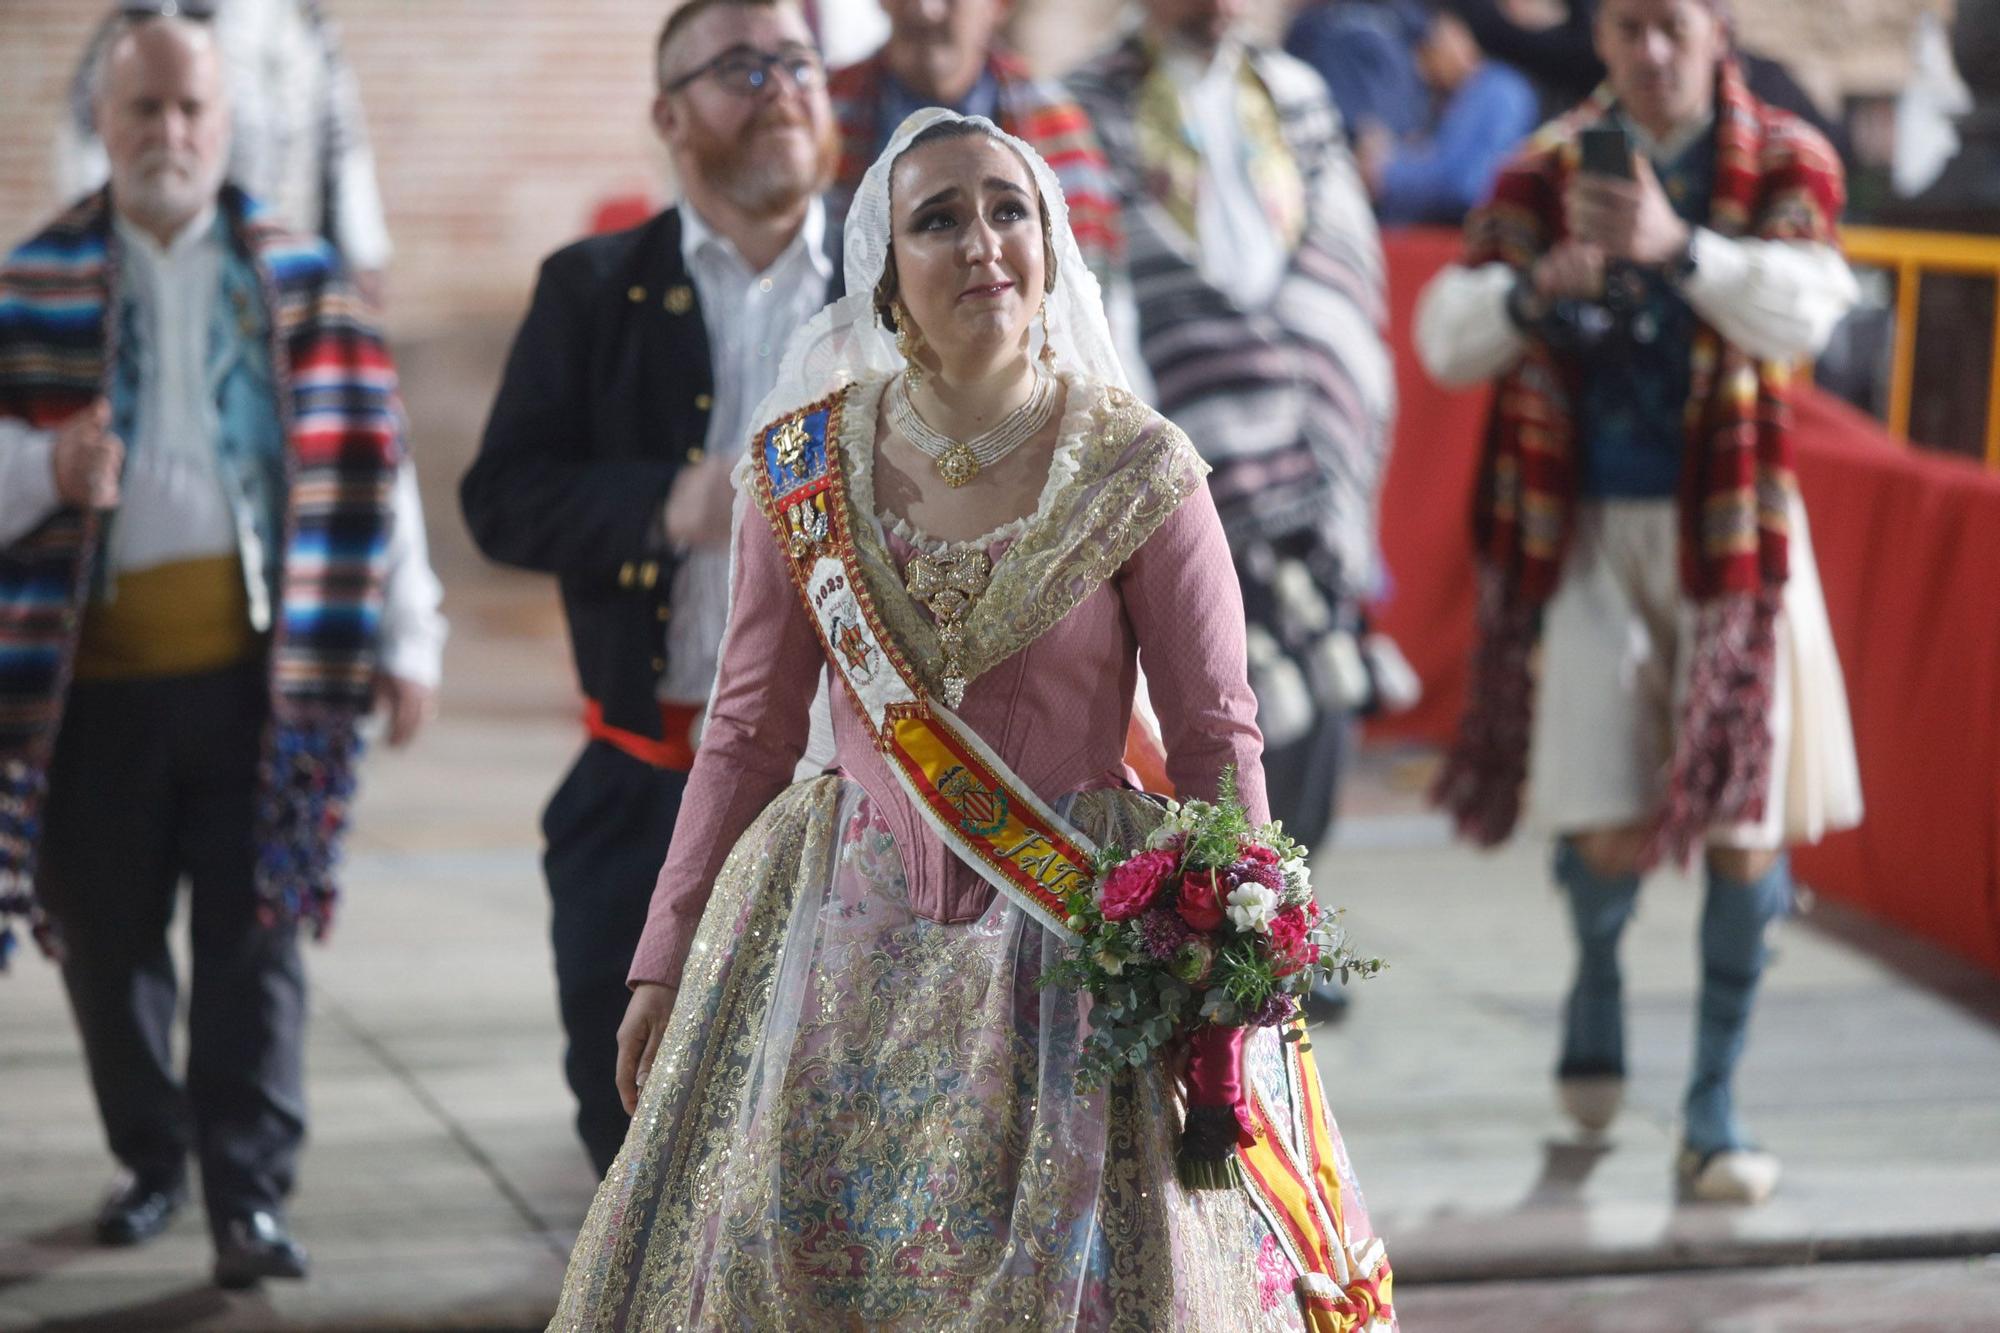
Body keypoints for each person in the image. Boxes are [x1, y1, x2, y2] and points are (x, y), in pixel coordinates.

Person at [546, 109, 1395, 1331]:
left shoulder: (1141, 470)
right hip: (834, 947)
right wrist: (665, 954)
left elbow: (1217, 737)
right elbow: (743, 732)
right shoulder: (800, 469)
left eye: (1009, 209)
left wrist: (1236, 968)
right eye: (937, 218)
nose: (982, 240)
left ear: (1051, 246)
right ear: (886, 272)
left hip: (1072, 959)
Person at [0, 11, 443, 1286]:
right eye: (144, 111)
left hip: (264, 677)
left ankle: (247, 1195)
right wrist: (43, 465)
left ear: (226, 122)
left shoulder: (305, 278)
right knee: (107, 941)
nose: (170, 134)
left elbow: (379, 462)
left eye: (192, 111)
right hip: (88, 686)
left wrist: (409, 635)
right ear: (104, 122)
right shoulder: (31, 281)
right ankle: (153, 1161)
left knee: (254, 945)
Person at [1415, 0, 1862, 1204]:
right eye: (1624, 28)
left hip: (1737, 541)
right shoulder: (1544, 166)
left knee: (1742, 824)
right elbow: (1443, 338)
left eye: (1669, 23)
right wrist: (1524, 298)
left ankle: (1712, 1109)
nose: (1650, 52)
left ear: (1716, 26)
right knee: (1604, 823)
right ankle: (1596, 970)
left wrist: (1679, 247)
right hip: (1588, 532)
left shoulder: (1782, 156)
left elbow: (1810, 309)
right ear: (1600, 41)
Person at [459, 0, 843, 1177]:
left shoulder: (895, 275)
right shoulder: (593, 287)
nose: (777, 85)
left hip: (848, 798)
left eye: (795, 60)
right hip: (641, 780)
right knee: (629, 1130)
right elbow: (500, 498)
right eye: (738, 66)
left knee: (829, 1131)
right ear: (667, 114)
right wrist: (661, 505)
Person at [1066, 0, 1395, 857]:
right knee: (1203, 701)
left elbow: (1343, 260)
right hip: (1172, 435)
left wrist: (1309, 375)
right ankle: (1214, 916)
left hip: (1310, 448)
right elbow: (1094, 283)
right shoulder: (1083, 103)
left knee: (1323, 695)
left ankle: (1290, 920)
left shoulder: (1295, 93)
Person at [58, 0, 393, 306]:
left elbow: (344, 137)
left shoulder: (307, 19)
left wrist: (364, 249)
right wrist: (91, 245)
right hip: (191, 250)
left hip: (294, 238)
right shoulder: (160, 11)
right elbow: (90, 128)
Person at [823, 0, 1122, 286]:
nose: (925, 10)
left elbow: (1092, 286)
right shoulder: (825, 112)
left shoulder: (1054, 127)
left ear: (999, 5)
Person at [1352, 5, 1539, 225]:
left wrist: (1388, 172)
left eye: (1434, 42)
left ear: (1459, 36)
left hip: (1470, 238)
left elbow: (1473, 188)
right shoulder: (1446, 96)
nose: (1424, 58)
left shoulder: (1501, 90)